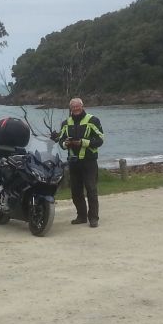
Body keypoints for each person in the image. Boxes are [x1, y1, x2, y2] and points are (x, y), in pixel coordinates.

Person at [55, 97, 104, 227]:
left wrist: (83, 142)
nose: (76, 109)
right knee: (76, 191)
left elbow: (100, 140)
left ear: (82, 106)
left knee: (91, 189)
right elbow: (60, 141)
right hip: (73, 162)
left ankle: (93, 218)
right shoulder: (66, 123)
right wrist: (65, 144)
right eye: (73, 107)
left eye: (78, 106)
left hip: (89, 161)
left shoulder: (93, 120)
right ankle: (81, 216)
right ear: (70, 109)